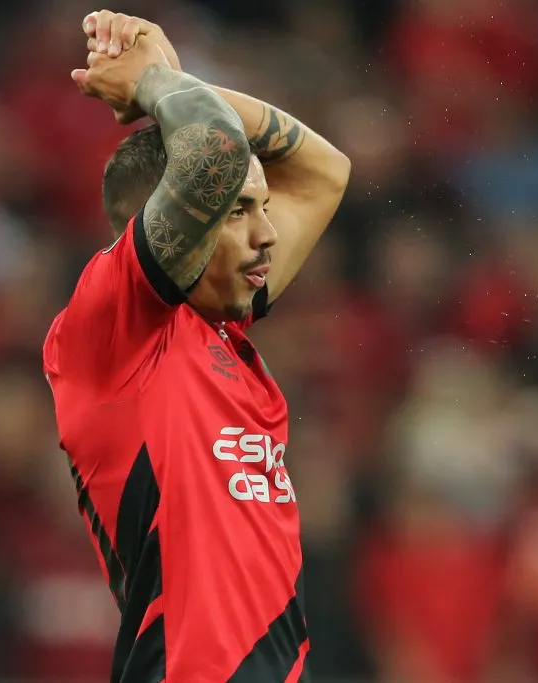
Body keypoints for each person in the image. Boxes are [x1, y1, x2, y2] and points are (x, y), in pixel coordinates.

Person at [42, 10, 351, 682]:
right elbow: (209, 147)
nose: (266, 233)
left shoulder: (222, 334)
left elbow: (326, 169)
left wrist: (172, 80)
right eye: (237, 210)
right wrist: (155, 82)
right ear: (162, 218)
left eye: (264, 207)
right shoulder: (114, 331)